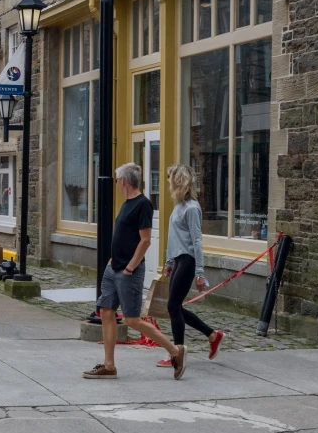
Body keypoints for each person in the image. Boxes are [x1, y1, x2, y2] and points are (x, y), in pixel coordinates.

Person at [84, 163, 186, 380]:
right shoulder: (126, 203)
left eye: (117, 180)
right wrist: (115, 259)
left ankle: (175, 351)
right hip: (114, 269)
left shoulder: (143, 205)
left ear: (123, 181)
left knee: (132, 320)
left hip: (128, 272)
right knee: (105, 311)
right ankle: (109, 365)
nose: (117, 184)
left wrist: (130, 267)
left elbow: (145, 241)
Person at [158, 164, 225, 367]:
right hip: (178, 260)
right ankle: (212, 335)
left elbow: (197, 241)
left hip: (188, 260)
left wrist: (200, 273)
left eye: (170, 177)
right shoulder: (179, 205)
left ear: (178, 180)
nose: (167, 181)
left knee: (172, 306)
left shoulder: (192, 208)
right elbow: (174, 237)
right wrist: (169, 261)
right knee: (174, 307)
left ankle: (177, 354)